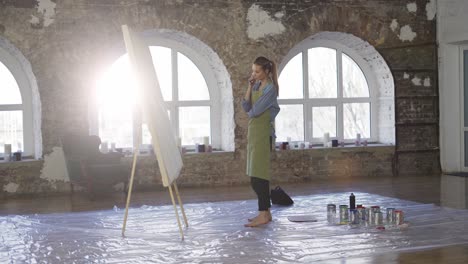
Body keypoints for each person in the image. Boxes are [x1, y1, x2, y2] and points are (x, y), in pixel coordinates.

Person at [241, 56, 280, 227]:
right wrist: (249, 87)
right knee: (254, 173)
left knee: (259, 176)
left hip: (263, 133)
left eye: (257, 71)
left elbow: (254, 111)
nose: (254, 74)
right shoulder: (256, 84)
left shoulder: (270, 89)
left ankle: (263, 213)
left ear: (267, 71)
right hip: (254, 132)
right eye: (253, 71)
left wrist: (250, 109)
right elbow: (245, 106)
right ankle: (266, 212)